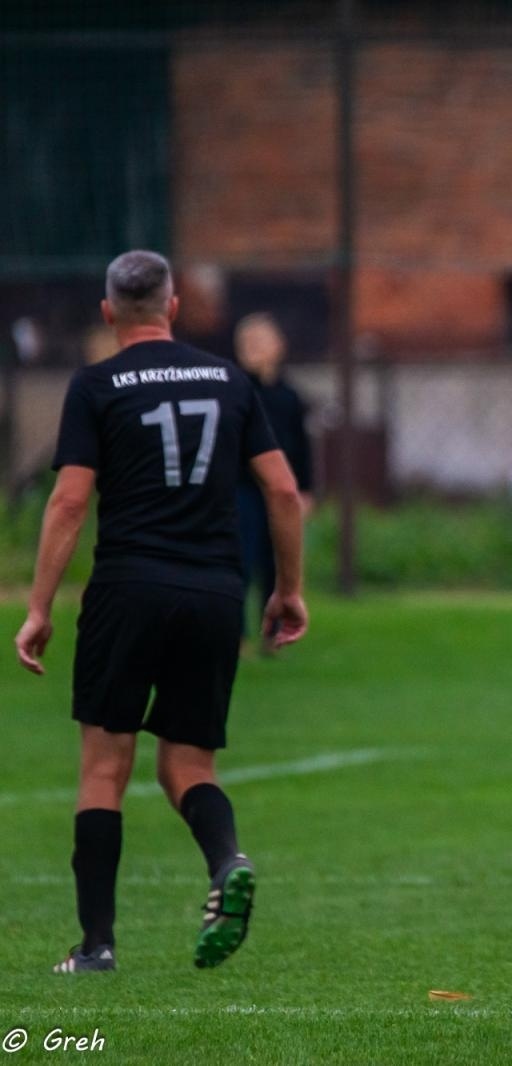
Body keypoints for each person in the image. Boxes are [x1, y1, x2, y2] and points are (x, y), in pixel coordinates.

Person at [13, 250, 308, 974]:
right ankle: (226, 859)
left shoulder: (97, 385)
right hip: (212, 594)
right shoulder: (231, 379)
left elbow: (71, 500)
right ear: (173, 307)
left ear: (110, 312)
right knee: (187, 765)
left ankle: (97, 946)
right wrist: (287, 589)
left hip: (127, 591)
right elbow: (281, 491)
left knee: (104, 770)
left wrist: (40, 606)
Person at [233, 312, 315, 642]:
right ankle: (235, 633)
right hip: (242, 491)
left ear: (279, 346)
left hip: (279, 494)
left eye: (259, 341)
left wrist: (305, 490)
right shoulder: (236, 393)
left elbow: (303, 448)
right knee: (240, 560)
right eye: (246, 342)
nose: (252, 348)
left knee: (277, 562)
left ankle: (276, 629)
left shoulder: (290, 398)